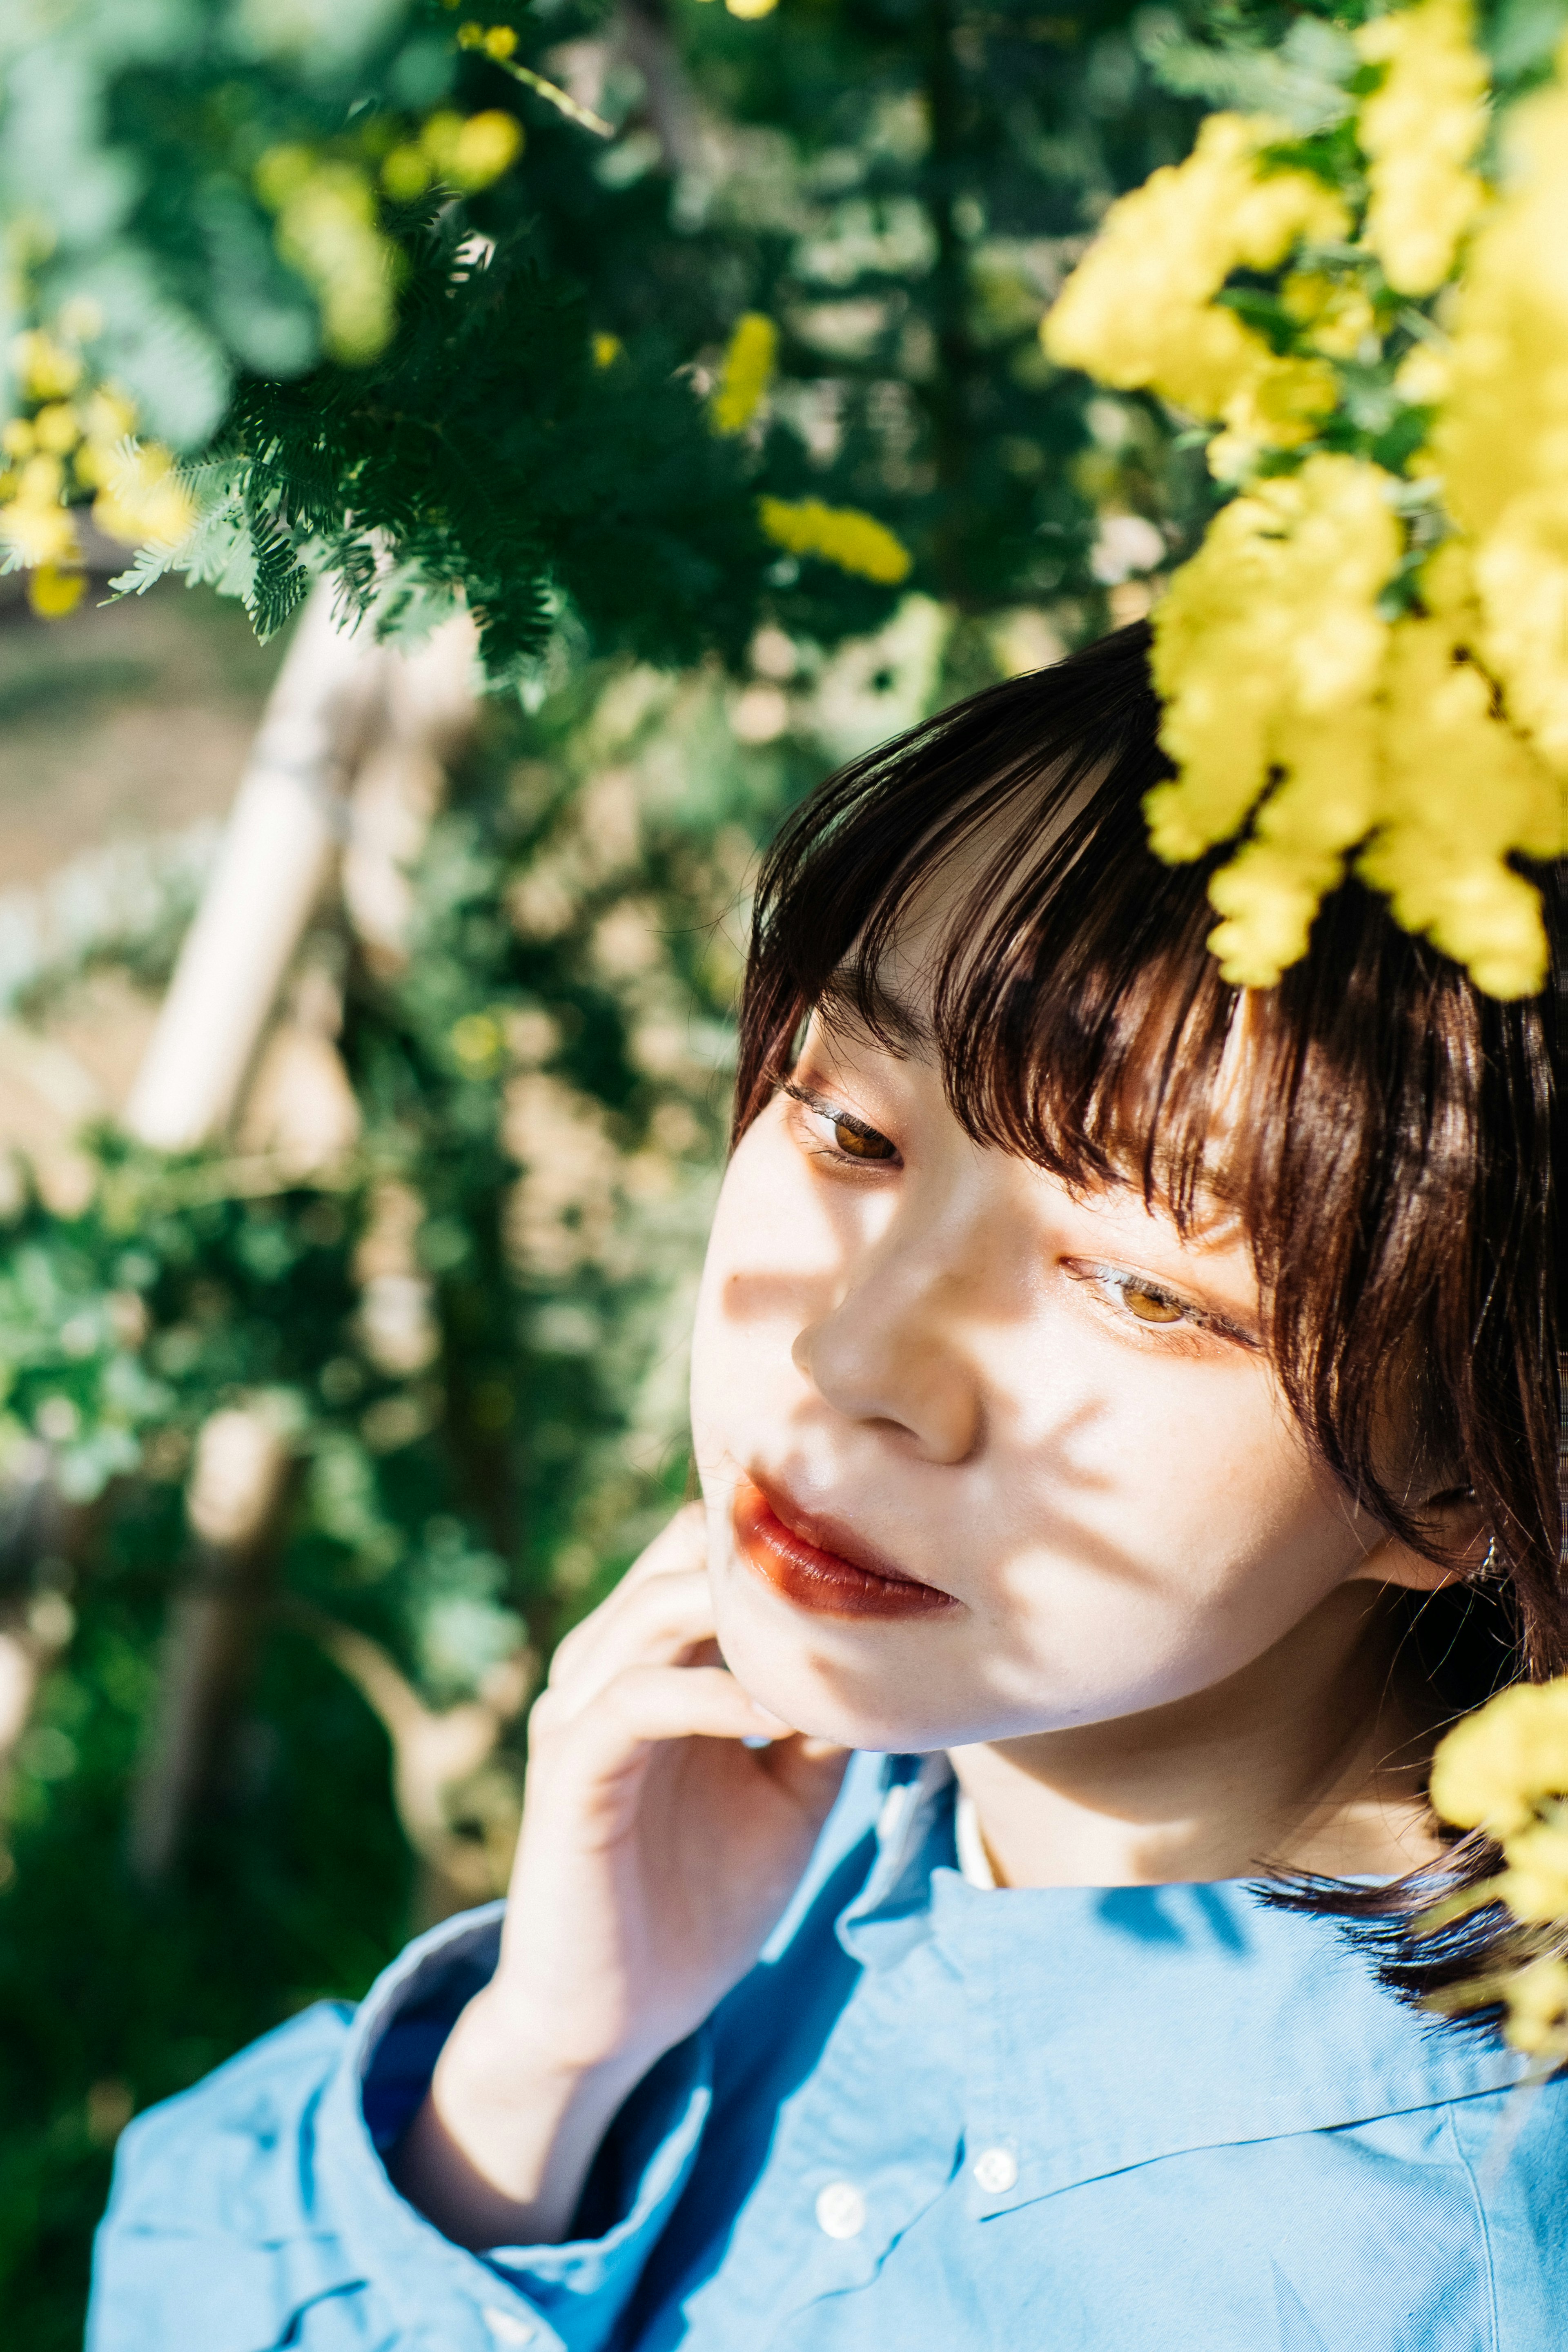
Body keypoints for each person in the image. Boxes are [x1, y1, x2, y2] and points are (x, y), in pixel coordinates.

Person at [89, 624, 1565, 2350]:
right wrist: (546, 2061)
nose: (851, 1356)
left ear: (1461, 1466)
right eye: (849, 1132)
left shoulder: (1430, 2282)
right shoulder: (813, 1823)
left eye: (1146, 1288)